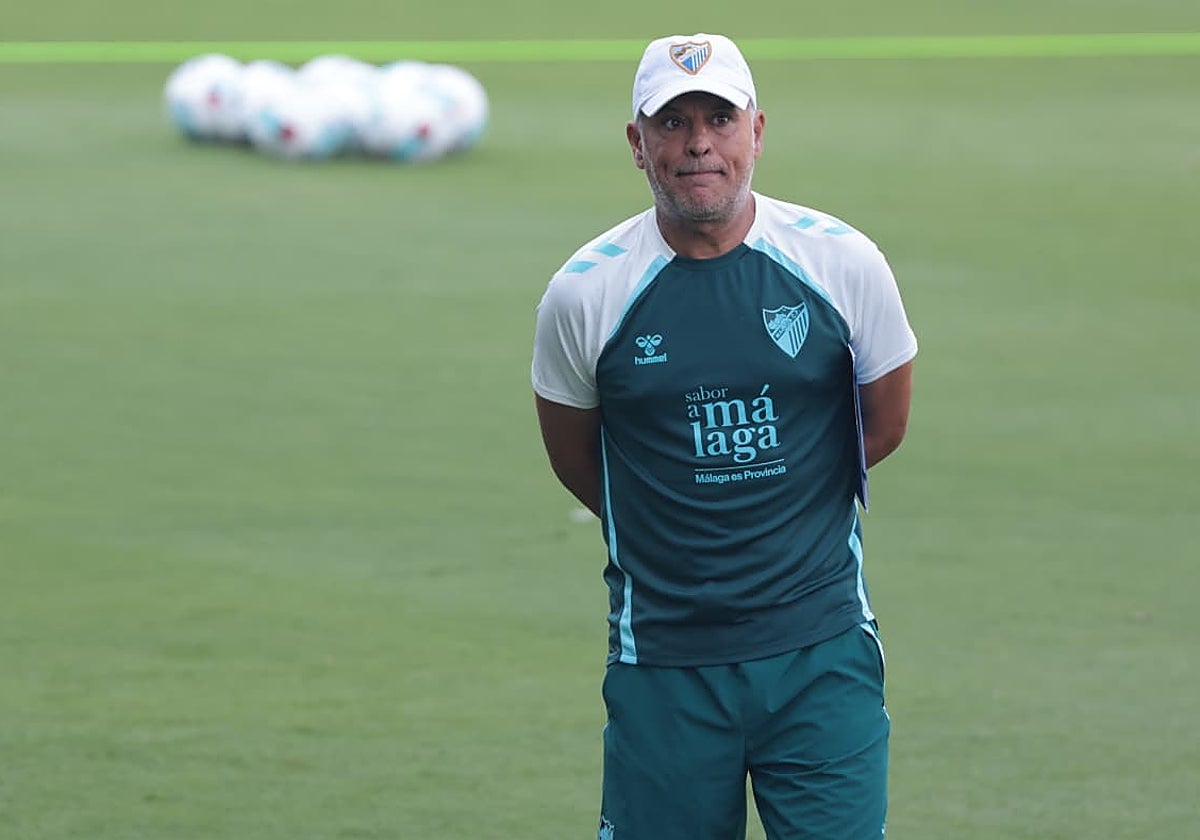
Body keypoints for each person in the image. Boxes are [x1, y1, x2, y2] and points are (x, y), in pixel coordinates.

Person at [530, 32, 917, 840]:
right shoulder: (584, 294)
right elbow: (579, 462)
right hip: (663, 661)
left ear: (757, 131)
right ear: (638, 144)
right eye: (672, 123)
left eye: (719, 118)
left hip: (821, 651)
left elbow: (881, 426)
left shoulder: (843, 264)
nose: (698, 142)